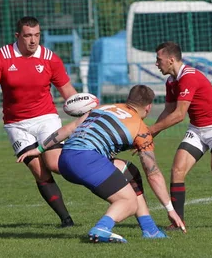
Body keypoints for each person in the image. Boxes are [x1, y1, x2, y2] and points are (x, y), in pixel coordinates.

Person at [17, 85, 186, 243]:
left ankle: (150, 230)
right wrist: (170, 209)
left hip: (66, 157)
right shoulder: (142, 130)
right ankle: (102, 229)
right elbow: (153, 173)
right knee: (128, 202)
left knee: (130, 172)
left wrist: (39, 149)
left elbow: (70, 128)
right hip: (87, 160)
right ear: (148, 107)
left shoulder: (104, 107)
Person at [0, 16, 78, 228]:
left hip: (45, 118)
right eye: (28, 36)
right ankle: (66, 220)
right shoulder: (3, 56)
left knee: (53, 163)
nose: (33, 40)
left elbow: (68, 91)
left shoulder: (50, 58)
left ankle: (101, 179)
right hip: (16, 124)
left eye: (37, 35)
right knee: (39, 171)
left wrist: (84, 108)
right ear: (17, 36)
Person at [148, 41, 212, 229]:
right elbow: (168, 111)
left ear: (171, 59)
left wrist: (149, 131)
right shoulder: (171, 81)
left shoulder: (189, 77)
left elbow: (179, 115)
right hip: (197, 130)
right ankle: (177, 221)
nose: (156, 64)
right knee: (177, 170)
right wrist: (149, 135)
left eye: (159, 60)